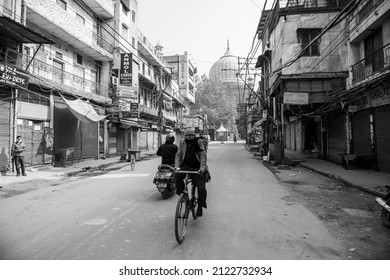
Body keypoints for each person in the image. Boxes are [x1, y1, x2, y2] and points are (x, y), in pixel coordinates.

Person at [175, 128, 208, 217]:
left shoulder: (199, 142)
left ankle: (200, 207)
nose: (188, 137)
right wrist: (177, 166)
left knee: (201, 189)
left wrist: (202, 168)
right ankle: (182, 195)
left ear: (194, 135)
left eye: (190, 135)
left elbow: (203, 155)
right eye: (187, 135)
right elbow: (178, 155)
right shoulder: (182, 142)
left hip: (197, 167)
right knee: (177, 176)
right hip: (185, 165)